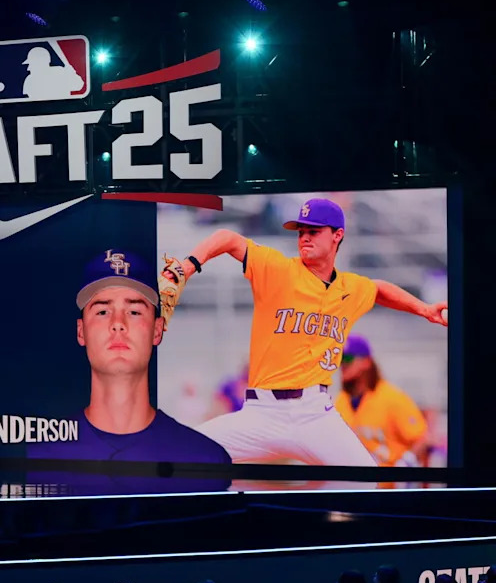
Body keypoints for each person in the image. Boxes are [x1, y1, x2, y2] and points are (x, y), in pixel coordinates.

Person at [176, 197, 447, 466]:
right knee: (182, 453)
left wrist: (423, 309)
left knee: (366, 481)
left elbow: (378, 290)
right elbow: (228, 238)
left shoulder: (350, 288)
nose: (305, 237)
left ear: (337, 235)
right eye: (301, 231)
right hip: (262, 413)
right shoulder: (278, 269)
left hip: (315, 414)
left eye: (314, 231)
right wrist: (188, 265)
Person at [26, 248, 230, 466]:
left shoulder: (204, 459)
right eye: (102, 311)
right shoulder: (36, 459)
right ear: (81, 331)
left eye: (134, 312)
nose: (118, 324)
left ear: (157, 330)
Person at [335, 335, 429, 467]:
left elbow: (422, 439)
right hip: (358, 483)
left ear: (366, 362)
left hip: (390, 483)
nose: (342, 364)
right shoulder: (340, 401)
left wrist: (407, 462)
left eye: (348, 358)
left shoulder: (392, 398)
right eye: (338, 359)